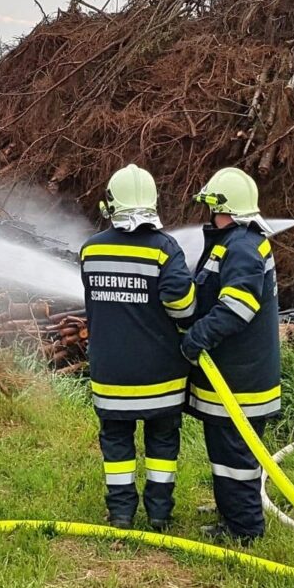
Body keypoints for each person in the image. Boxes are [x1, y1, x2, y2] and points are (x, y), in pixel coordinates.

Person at [80, 164, 197, 531]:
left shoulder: (90, 251)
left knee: (116, 446)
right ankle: (159, 515)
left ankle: (121, 514)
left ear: (110, 205)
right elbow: (183, 307)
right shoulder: (165, 250)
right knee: (162, 446)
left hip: (110, 372)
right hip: (160, 374)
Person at [180, 166, 280, 544]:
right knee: (226, 454)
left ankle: (243, 530)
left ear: (229, 209)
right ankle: (231, 509)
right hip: (234, 375)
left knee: (234, 458)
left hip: (241, 381)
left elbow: (237, 307)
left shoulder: (241, 247)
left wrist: (197, 337)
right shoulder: (234, 241)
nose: (210, 216)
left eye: (213, 208)